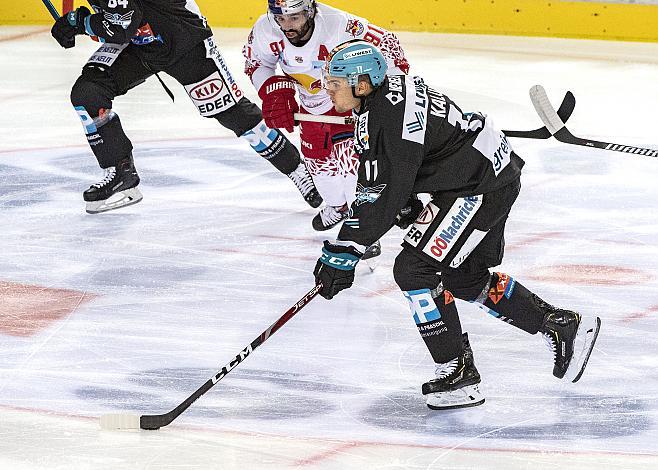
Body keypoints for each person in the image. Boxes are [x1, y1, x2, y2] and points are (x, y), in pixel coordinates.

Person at [312, 40, 601, 410]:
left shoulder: (385, 116)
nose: (327, 89)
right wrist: (401, 205)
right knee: (462, 277)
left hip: (477, 187)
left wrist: (342, 252)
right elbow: (407, 166)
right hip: (486, 176)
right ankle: (560, 326)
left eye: (334, 83)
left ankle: (457, 370)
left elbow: (380, 192)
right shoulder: (385, 99)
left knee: (415, 269)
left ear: (363, 83)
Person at [50, 0, 321, 214]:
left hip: (184, 42)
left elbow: (122, 23)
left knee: (232, 113)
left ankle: (296, 168)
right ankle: (121, 172)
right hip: (139, 46)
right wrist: (81, 23)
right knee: (88, 93)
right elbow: (121, 21)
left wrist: (81, 22)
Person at [242, 0, 409, 234]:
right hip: (312, 106)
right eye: (280, 18)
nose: (287, 25)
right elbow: (258, 62)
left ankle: (361, 221)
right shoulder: (265, 29)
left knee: (352, 167)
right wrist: (274, 91)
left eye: (294, 17)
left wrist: (384, 99)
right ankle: (337, 207)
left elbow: (390, 49)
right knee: (318, 166)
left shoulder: (341, 27)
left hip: (348, 102)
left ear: (309, 11)